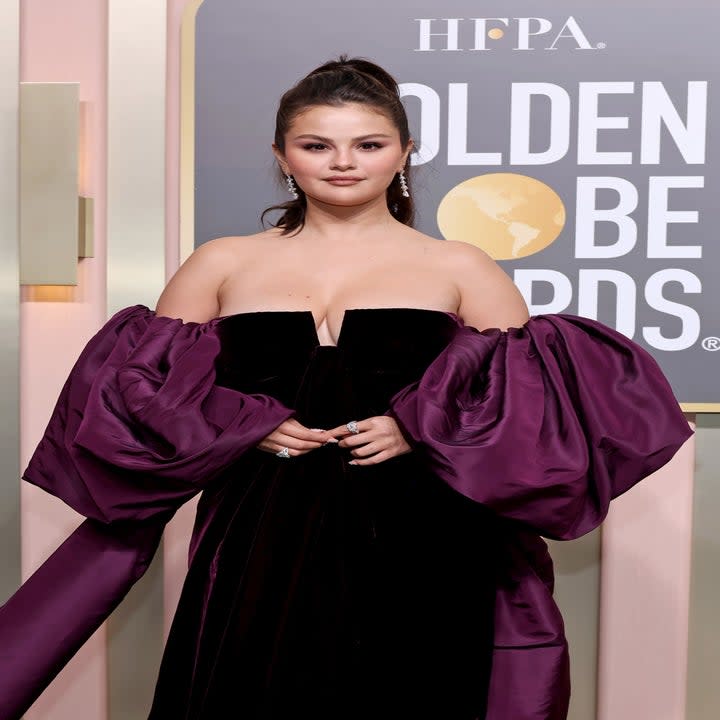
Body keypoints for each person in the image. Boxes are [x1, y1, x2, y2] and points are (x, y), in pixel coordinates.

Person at [0, 55, 692, 720]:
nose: (342, 162)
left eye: (367, 143)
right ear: (281, 155)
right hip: (256, 529)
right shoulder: (222, 262)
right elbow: (135, 396)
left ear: (403, 151)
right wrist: (243, 424)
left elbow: (526, 411)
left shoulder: (460, 265)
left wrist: (418, 426)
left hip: (424, 532)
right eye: (316, 144)